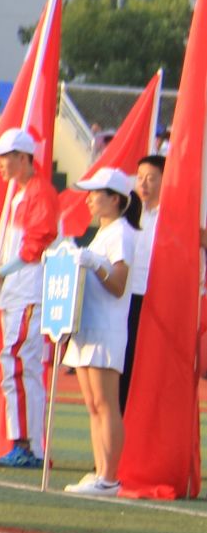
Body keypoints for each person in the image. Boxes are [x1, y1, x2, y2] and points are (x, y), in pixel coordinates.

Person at [0, 126, 59, 469]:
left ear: (24, 159)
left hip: (27, 291)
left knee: (19, 365)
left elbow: (36, 243)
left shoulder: (38, 192)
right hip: (18, 292)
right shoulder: (22, 193)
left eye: (4, 157)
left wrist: (2, 271)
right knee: (19, 366)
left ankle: (25, 445)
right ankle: (28, 444)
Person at [61, 170, 142, 497]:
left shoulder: (121, 232)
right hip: (88, 326)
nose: (90, 198)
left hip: (106, 327)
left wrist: (95, 264)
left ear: (116, 199)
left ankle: (109, 476)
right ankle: (100, 470)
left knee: (107, 404)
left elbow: (119, 284)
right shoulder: (103, 232)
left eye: (97, 193)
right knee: (94, 404)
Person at [122, 154, 163, 411]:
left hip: (157, 299)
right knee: (125, 367)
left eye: (151, 178)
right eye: (140, 178)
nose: (144, 184)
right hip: (129, 297)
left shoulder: (173, 216)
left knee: (152, 369)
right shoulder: (130, 215)